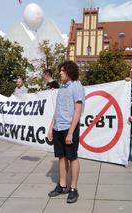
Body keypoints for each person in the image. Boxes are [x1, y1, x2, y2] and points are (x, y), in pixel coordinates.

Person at [47, 61, 85, 204]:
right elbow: (57, 109)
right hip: (58, 128)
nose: (60, 73)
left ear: (69, 71)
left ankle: (73, 189)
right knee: (61, 158)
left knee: (72, 158)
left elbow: (78, 110)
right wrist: (51, 127)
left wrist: (71, 132)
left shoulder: (77, 87)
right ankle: (62, 185)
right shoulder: (62, 87)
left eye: (62, 71)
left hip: (69, 129)